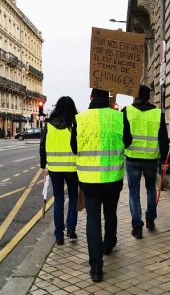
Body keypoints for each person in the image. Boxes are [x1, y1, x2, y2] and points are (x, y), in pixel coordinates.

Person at [70, 88, 132, 282]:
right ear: (108, 99)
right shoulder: (119, 117)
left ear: (91, 98)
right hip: (113, 178)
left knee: (93, 219)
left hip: (89, 180)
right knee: (110, 213)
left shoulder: (79, 119)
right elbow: (128, 142)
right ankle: (109, 243)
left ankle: (95, 267)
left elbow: (74, 147)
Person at [122, 85, 169, 239]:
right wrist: (164, 161)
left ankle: (137, 227)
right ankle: (150, 218)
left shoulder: (126, 111)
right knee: (151, 189)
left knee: (134, 193)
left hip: (132, 159)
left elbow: (124, 137)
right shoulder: (158, 114)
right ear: (149, 97)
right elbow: (163, 139)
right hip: (151, 159)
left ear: (135, 95)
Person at [40, 96, 79, 245]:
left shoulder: (48, 124)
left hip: (55, 167)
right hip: (72, 167)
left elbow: (42, 146)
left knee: (58, 199)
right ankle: (71, 228)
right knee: (73, 197)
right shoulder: (75, 123)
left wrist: (44, 165)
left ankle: (59, 235)